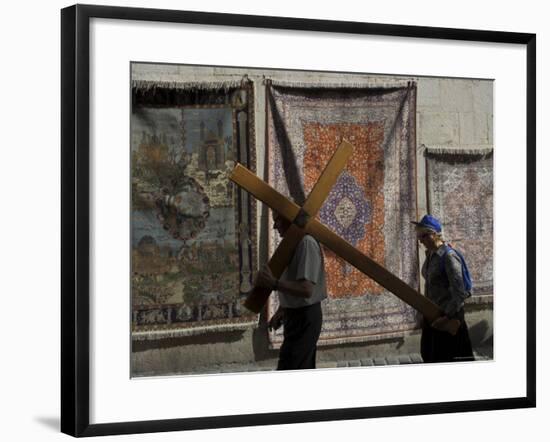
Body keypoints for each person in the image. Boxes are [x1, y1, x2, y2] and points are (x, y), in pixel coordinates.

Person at [254, 211, 327, 370]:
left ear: (289, 219)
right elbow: (294, 280)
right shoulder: (293, 244)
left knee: (292, 367)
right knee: (297, 365)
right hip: (295, 316)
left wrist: (274, 283)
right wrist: (282, 310)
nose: (274, 226)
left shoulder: (306, 243)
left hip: (305, 317)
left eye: (277, 220)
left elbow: (306, 289)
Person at [412, 214, 474, 363]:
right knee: (430, 356)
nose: (420, 239)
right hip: (434, 317)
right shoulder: (431, 254)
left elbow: (460, 293)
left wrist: (446, 317)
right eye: (419, 235)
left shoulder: (448, 257)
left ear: (434, 235)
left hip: (448, 321)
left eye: (423, 235)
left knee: (449, 359)